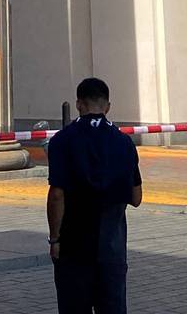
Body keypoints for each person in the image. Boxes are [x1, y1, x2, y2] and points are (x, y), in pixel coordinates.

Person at [46, 77, 143, 314]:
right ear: (108, 106)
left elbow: (57, 194)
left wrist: (55, 238)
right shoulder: (124, 142)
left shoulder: (62, 140)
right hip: (112, 243)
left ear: (79, 104)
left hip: (74, 242)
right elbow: (136, 197)